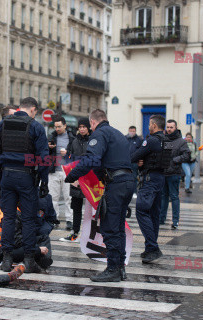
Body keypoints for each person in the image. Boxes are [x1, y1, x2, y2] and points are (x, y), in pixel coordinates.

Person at [64, 109, 133, 282]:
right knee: (117, 227)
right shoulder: (118, 134)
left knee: (110, 226)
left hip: (116, 184)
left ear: (92, 122)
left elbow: (91, 159)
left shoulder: (100, 133)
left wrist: (73, 175)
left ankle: (112, 269)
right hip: (127, 182)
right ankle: (119, 268)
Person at [0, 96, 49, 273]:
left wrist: (0, 180)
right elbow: (44, 159)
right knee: (28, 219)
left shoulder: (2, 124)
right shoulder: (36, 126)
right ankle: (29, 260)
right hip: (26, 177)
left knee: (8, 218)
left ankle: (7, 260)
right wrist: (43, 181)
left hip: (7, 175)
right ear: (33, 109)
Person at [130, 115, 170, 263]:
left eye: (150, 124)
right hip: (160, 179)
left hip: (150, 179)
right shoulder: (166, 140)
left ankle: (153, 247)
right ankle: (149, 249)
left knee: (141, 210)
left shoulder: (152, 140)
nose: (149, 127)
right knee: (154, 214)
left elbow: (135, 155)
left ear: (154, 125)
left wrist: (140, 161)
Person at [0, 193, 56, 270]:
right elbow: (16, 241)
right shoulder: (13, 213)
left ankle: (44, 260)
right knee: (33, 250)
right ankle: (36, 261)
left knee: (43, 238)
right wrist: (38, 249)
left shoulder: (11, 208)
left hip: (4, 248)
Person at [60, 118, 92, 242]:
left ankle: (89, 235)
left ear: (88, 127)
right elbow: (69, 160)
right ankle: (75, 233)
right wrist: (73, 178)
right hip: (77, 179)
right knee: (76, 208)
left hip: (91, 179)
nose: (82, 129)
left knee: (91, 209)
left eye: (84, 126)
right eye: (80, 127)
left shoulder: (93, 140)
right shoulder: (74, 142)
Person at [159, 120, 190, 229]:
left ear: (176, 128)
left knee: (174, 197)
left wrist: (175, 160)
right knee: (163, 197)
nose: (169, 129)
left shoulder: (181, 141)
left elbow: (187, 155)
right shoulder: (163, 139)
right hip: (164, 173)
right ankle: (161, 219)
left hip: (174, 173)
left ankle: (175, 221)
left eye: (171, 127)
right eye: (167, 127)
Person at [48, 116, 75, 231]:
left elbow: (75, 154)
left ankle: (70, 220)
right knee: (53, 197)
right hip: (53, 171)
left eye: (59, 126)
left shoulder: (71, 138)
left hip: (67, 171)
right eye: (55, 126)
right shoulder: (51, 136)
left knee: (68, 197)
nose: (57, 128)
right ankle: (55, 219)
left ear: (65, 126)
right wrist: (49, 148)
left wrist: (68, 153)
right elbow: (44, 152)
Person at [126, 126, 143, 194]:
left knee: (134, 178)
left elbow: (141, 151)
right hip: (126, 162)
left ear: (135, 131)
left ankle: (134, 192)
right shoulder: (125, 139)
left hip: (135, 163)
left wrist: (140, 161)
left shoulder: (139, 140)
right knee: (126, 178)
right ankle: (127, 192)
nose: (132, 132)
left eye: (133, 131)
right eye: (131, 131)